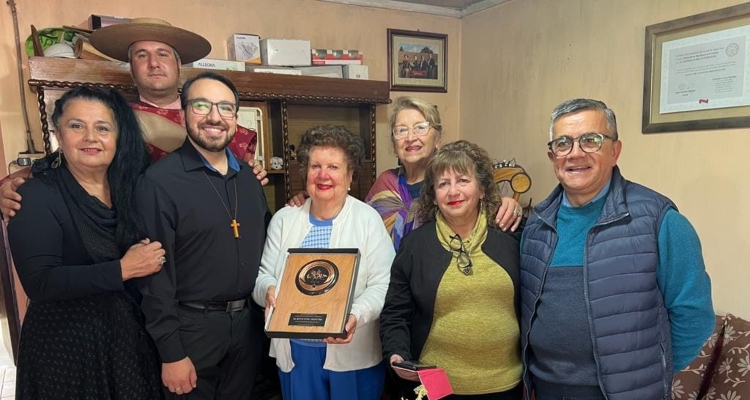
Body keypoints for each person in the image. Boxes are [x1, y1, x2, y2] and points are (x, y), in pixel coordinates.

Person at [519, 98, 714, 400]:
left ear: (615, 151)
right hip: (545, 390)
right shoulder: (536, 225)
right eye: (563, 143)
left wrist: (649, 374)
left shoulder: (659, 220)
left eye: (591, 140)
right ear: (551, 155)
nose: (575, 153)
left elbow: (694, 315)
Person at [1, 17, 267, 221]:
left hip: (208, 230)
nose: (153, 63)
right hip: (137, 232)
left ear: (178, 64)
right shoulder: (112, 118)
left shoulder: (214, 121)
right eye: (142, 55)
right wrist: (8, 186)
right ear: (131, 67)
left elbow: (241, 178)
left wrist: (253, 172)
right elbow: (63, 163)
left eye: (162, 54)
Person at [7, 87, 165, 399]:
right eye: (77, 126)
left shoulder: (133, 189)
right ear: (57, 134)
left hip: (127, 343)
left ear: (118, 137)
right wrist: (122, 269)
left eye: (102, 128)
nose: (91, 137)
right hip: (66, 350)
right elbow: (40, 282)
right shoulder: (35, 195)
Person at [136, 72, 271, 399]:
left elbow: (268, 246)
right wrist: (171, 351)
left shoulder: (250, 181)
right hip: (191, 329)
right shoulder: (159, 183)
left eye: (225, 108)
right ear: (182, 114)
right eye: (201, 105)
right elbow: (155, 276)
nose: (214, 117)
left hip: (248, 327)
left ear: (235, 120)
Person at [253, 125, 395, 400]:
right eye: (315, 165)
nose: (323, 174)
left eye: (333, 166)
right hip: (296, 353)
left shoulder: (367, 220)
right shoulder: (284, 220)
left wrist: (354, 316)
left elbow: (383, 284)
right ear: (305, 172)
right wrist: (268, 291)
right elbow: (262, 276)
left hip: (353, 353)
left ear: (350, 175)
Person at [380, 140, 522, 400]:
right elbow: (396, 312)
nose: (453, 191)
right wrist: (396, 353)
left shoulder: (512, 236)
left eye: (463, 180)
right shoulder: (415, 246)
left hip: (505, 385)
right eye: (443, 184)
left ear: (482, 189)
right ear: (433, 195)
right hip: (435, 386)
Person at [365, 96, 522, 251]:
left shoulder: (456, 185)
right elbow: (364, 233)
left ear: (438, 139)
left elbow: (485, 212)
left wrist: (509, 205)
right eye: (401, 130)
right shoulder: (385, 182)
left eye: (420, 127)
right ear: (394, 145)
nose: (410, 137)